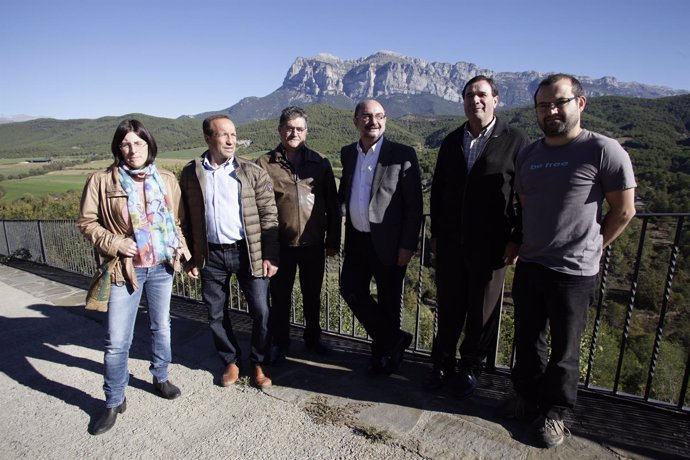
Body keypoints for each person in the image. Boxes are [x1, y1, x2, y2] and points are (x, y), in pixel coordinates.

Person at [507, 74, 636, 448]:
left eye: (558, 102)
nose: (550, 111)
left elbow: (624, 211)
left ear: (580, 103)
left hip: (574, 271)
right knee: (528, 340)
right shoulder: (529, 154)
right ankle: (526, 398)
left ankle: (556, 413)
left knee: (565, 348)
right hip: (531, 263)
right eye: (543, 105)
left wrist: (594, 246)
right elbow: (527, 203)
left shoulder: (603, 150)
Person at [77, 119, 191, 435]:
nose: (133, 149)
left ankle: (161, 375)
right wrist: (116, 242)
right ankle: (113, 400)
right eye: (126, 144)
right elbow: (87, 222)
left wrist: (179, 247)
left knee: (161, 325)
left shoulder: (166, 179)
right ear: (118, 148)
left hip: (161, 266)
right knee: (117, 340)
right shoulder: (102, 181)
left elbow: (175, 221)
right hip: (124, 269)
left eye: (138, 143)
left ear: (149, 145)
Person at [426, 76, 529, 398]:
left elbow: (526, 194)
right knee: (449, 304)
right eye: (470, 95)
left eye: (482, 95)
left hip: (492, 244)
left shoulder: (516, 140)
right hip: (452, 242)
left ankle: (470, 366)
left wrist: (517, 236)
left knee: (482, 309)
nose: (476, 100)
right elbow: (439, 191)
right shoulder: (453, 140)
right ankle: (442, 362)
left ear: (496, 99)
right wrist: (437, 234)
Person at [179, 114, 279, 390]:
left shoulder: (251, 171)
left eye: (233, 134)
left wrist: (270, 254)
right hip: (210, 256)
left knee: (261, 310)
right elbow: (183, 218)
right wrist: (189, 256)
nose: (231, 140)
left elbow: (269, 215)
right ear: (208, 138)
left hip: (249, 252)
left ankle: (258, 362)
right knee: (215, 313)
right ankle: (231, 361)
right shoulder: (191, 172)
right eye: (224, 134)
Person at [338, 99, 423, 375]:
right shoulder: (348, 153)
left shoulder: (402, 154)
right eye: (366, 116)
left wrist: (407, 245)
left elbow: (414, 206)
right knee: (350, 289)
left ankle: (384, 356)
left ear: (385, 120)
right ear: (355, 121)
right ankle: (394, 340)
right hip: (357, 240)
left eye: (379, 116)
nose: (373, 121)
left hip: (390, 243)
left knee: (388, 302)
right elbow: (346, 193)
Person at [256, 106, 341, 363]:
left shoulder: (320, 162)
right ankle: (280, 342)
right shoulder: (264, 163)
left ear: (306, 132)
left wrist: (333, 240)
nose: (294, 133)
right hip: (279, 245)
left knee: (312, 296)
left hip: (313, 244)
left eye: (299, 128)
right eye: (289, 128)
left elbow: (333, 205)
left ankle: (313, 339)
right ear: (280, 130)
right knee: (280, 298)